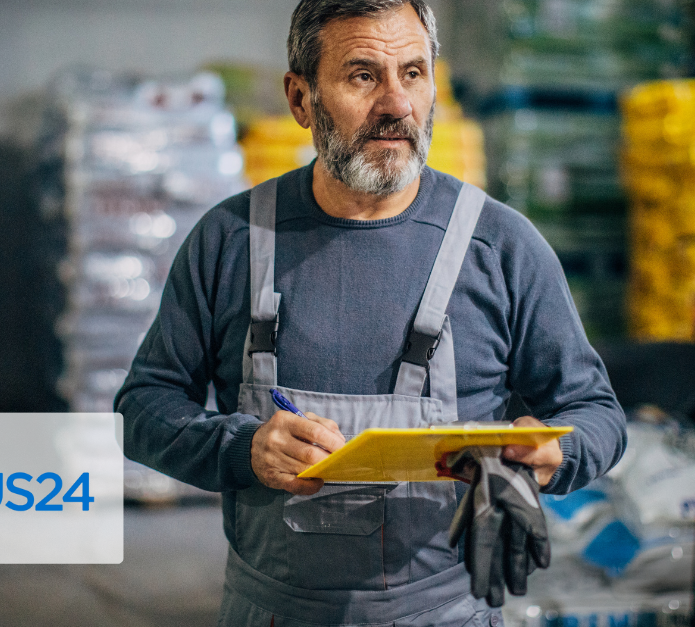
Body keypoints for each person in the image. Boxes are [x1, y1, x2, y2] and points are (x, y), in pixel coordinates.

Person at [115, 1, 627, 624]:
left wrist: (555, 456)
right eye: (363, 75)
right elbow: (139, 409)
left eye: (413, 73)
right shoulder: (230, 240)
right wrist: (242, 449)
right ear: (301, 100)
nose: (396, 104)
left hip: (445, 613)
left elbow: (596, 413)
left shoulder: (500, 246)